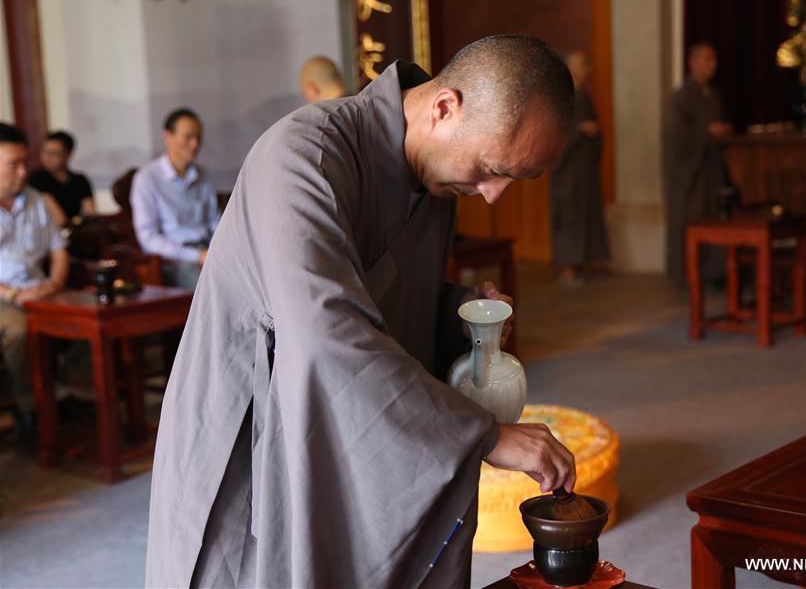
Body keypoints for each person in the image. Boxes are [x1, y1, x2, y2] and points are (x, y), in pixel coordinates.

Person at [146, 35, 577, 588]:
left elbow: (387, 295)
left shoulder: (431, 178)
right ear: (444, 108)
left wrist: (459, 311)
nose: (493, 195)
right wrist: (487, 435)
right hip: (260, 436)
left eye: (516, 180)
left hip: (346, 424)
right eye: (493, 168)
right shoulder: (304, 158)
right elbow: (329, 333)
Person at [0, 123, 69, 432]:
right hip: (5, 297)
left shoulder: (36, 201)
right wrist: (14, 295)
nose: (22, 172)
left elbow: (59, 251)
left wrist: (54, 284)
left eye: (24, 163)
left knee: (95, 317)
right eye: (13, 165)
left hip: (42, 289)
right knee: (18, 331)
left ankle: (70, 396)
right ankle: (32, 409)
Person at [665, 42, 733, 284]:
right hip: (690, 173)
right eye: (707, 59)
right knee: (691, 218)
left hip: (710, 169)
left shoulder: (714, 94)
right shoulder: (682, 96)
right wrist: (707, 132)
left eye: (714, 60)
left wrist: (721, 131)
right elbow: (677, 137)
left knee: (714, 217)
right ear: (692, 63)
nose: (712, 65)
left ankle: (713, 273)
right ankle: (687, 274)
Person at [130, 108, 220, 289]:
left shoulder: (202, 175)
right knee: (213, 290)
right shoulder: (147, 178)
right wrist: (196, 256)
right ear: (168, 136)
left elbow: (214, 222)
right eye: (188, 137)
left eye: (198, 137)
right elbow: (148, 239)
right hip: (174, 260)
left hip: (207, 251)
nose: (195, 144)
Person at [549, 51, 610, 283]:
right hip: (566, 171)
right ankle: (567, 265)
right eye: (583, 65)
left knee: (586, 213)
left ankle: (584, 260)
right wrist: (579, 131)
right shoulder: (560, 98)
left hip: (584, 168)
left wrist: (594, 132)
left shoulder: (585, 97)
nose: (588, 70)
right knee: (569, 215)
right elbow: (554, 134)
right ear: (570, 68)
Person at [27, 130, 95, 224]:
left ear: (68, 155)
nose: (47, 157)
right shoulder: (36, 178)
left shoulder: (80, 180)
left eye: (53, 153)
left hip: (76, 232)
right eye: (44, 151)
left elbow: (90, 213)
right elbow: (60, 219)